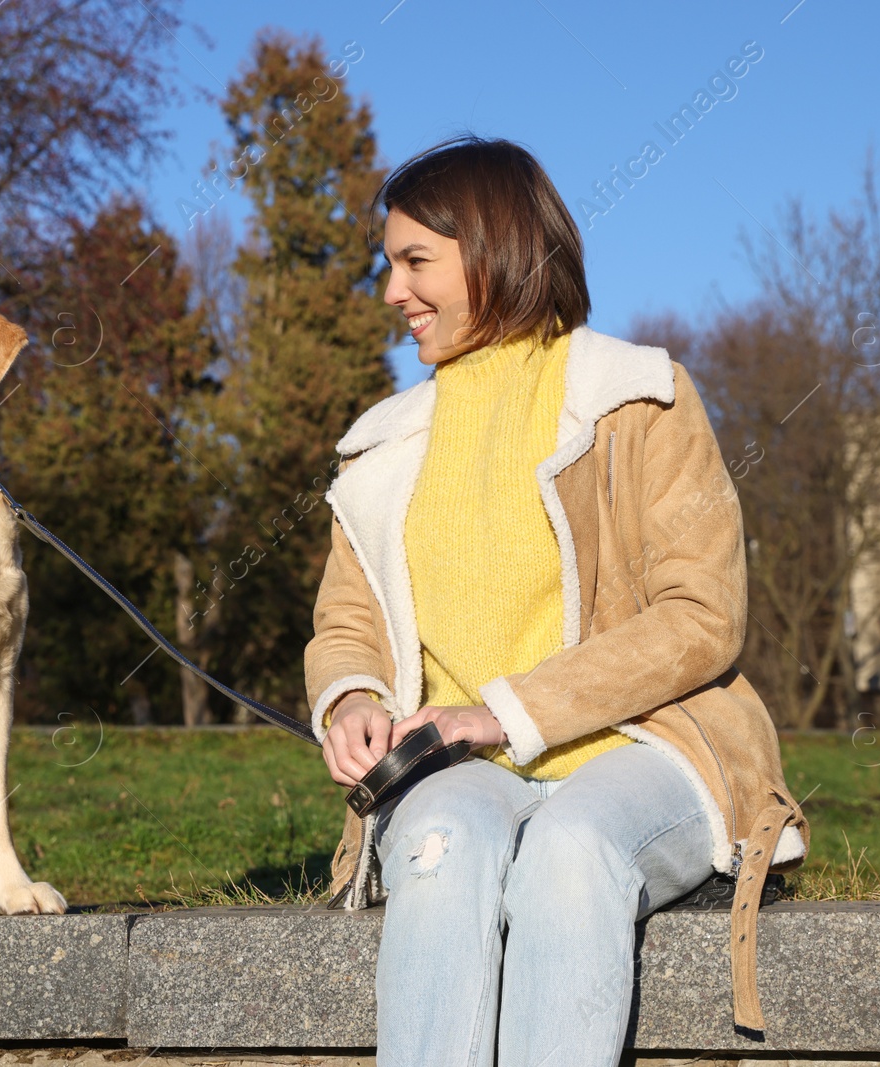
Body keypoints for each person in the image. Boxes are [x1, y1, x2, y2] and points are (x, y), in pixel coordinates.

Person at [303, 136, 810, 1066]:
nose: (391, 292)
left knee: (572, 848)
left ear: (494, 250)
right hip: (462, 770)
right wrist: (354, 698)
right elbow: (346, 624)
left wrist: (500, 715)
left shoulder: (640, 398)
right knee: (442, 844)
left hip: (651, 744)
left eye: (416, 261)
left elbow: (701, 615)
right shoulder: (377, 448)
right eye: (390, 264)